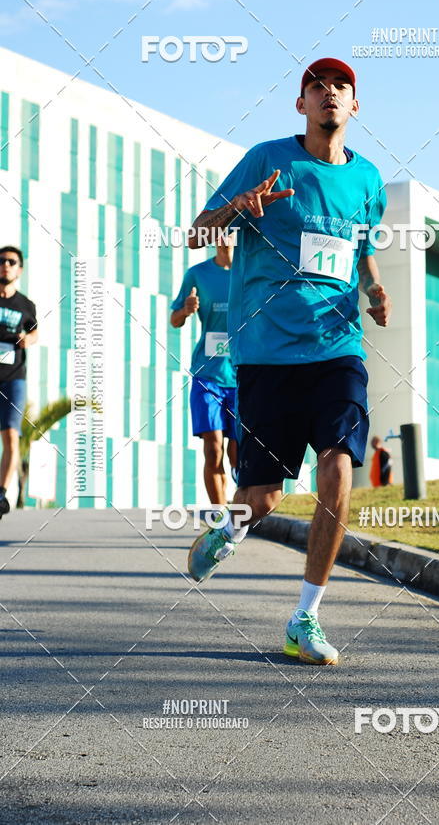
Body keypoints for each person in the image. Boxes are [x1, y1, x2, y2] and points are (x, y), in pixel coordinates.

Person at [187, 57, 391, 665]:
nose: (329, 93)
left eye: (341, 87)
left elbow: (361, 251)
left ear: (355, 107)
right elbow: (198, 231)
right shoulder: (267, 158)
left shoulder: (369, 180)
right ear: (300, 105)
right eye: (316, 87)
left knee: (338, 466)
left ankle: (306, 617)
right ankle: (230, 528)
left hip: (337, 347)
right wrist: (240, 208)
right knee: (265, 496)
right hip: (267, 354)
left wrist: (375, 287)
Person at [171, 237, 237, 505]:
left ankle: (242, 501)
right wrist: (186, 311)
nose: (223, 240)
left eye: (229, 233)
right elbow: (174, 319)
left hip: (242, 376)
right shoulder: (197, 274)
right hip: (207, 375)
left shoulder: (250, 271)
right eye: (218, 233)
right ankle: (220, 518)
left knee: (237, 453)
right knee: (213, 448)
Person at [0, 246, 37, 518]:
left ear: (19, 270)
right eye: (1, 261)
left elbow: (35, 333)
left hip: (14, 378)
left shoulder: (26, 305)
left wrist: (29, 339)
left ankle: (1, 493)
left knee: (11, 434)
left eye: (11, 262)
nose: (5, 266)